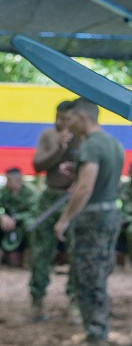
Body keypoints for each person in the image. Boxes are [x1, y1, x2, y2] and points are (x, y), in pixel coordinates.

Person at [55, 98, 124, 346]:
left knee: (88, 278)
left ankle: (96, 341)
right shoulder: (113, 144)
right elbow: (102, 178)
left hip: (91, 221)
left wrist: (64, 219)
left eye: (70, 118)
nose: (68, 124)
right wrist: (79, 168)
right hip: (109, 216)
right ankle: (97, 333)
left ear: (83, 117)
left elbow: (84, 189)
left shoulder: (91, 145)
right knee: (99, 274)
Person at [28, 100, 81, 323]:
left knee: (76, 252)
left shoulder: (85, 137)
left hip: (74, 200)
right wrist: (59, 148)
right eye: (57, 117)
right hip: (50, 196)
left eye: (65, 119)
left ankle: (75, 303)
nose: (60, 123)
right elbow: (37, 166)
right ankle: (37, 301)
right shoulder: (49, 135)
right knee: (41, 252)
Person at [1, 167, 39, 264]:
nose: (7, 183)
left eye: (9, 180)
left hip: (24, 221)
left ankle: (31, 255)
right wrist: (2, 216)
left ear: (18, 180)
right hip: (7, 222)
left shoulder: (31, 192)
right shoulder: (4, 191)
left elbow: (34, 211)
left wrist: (15, 219)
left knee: (31, 225)